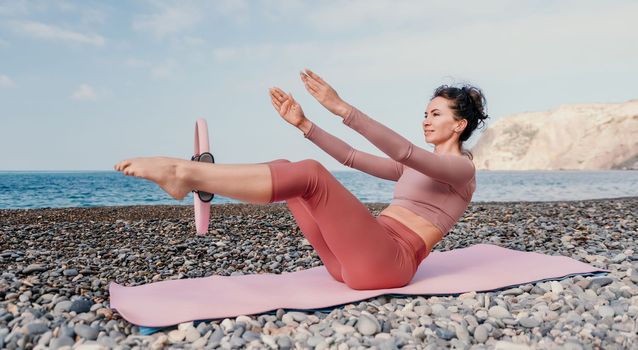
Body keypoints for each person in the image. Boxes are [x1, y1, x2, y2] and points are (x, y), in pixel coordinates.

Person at [114, 69, 489, 290]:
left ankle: (187, 173)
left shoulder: (462, 172)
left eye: (435, 114)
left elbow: (405, 152)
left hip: (390, 263)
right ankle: (200, 180)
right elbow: (351, 158)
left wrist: (342, 108)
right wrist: (305, 125)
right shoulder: (417, 168)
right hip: (348, 263)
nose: (425, 119)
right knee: (289, 168)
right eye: (425, 112)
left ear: (459, 125)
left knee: (309, 175)